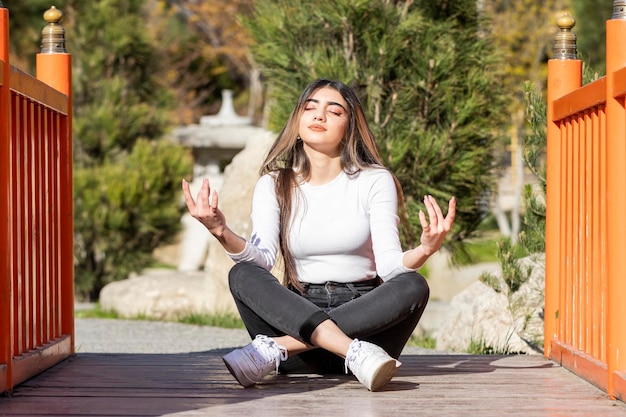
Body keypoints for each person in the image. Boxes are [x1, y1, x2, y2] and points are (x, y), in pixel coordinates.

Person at [182, 78, 456, 392]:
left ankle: (278, 348)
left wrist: (424, 249)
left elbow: (390, 266)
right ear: (298, 119)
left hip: (365, 327)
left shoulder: (375, 181)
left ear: (350, 125)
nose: (318, 116)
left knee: (412, 284)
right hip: (299, 319)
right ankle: (350, 352)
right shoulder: (273, 184)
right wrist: (220, 230)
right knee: (243, 273)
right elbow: (263, 258)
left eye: (333, 110)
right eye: (310, 107)